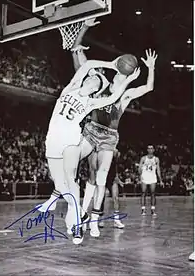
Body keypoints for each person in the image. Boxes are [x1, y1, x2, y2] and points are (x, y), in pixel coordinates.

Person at [38, 54, 140, 245]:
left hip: (70, 141)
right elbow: (89, 64)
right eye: (94, 78)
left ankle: (77, 224)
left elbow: (115, 96)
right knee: (62, 185)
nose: (95, 80)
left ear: (96, 90)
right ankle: (81, 215)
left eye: (98, 83)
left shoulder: (90, 103)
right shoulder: (71, 88)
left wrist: (129, 79)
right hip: (52, 142)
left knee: (72, 180)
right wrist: (110, 64)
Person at [70, 19, 159, 237]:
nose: (122, 73)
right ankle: (82, 211)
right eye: (121, 70)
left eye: (126, 73)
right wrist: (84, 29)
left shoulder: (126, 95)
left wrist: (151, 68)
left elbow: (149, 87)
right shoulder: (100, 84)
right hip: (91, 130)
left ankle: (94, 219)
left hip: (109, 137)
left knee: (101, 177)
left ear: (128, 75)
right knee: (90, 175)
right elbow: (78, 56)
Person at [139, 145, 164, 216]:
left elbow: (158, 169)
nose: (150, 150)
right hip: (144, 177)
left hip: (153, 177)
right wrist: (140, 176)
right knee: (143, 193)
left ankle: (153, 209)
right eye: (149, 148)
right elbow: (140, 168)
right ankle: (143, 209)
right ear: (147, 150)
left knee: (153, 193)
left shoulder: (156, 159)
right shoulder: (143, 158)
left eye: (151, 148)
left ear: (153, 150)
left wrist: (161, 180)